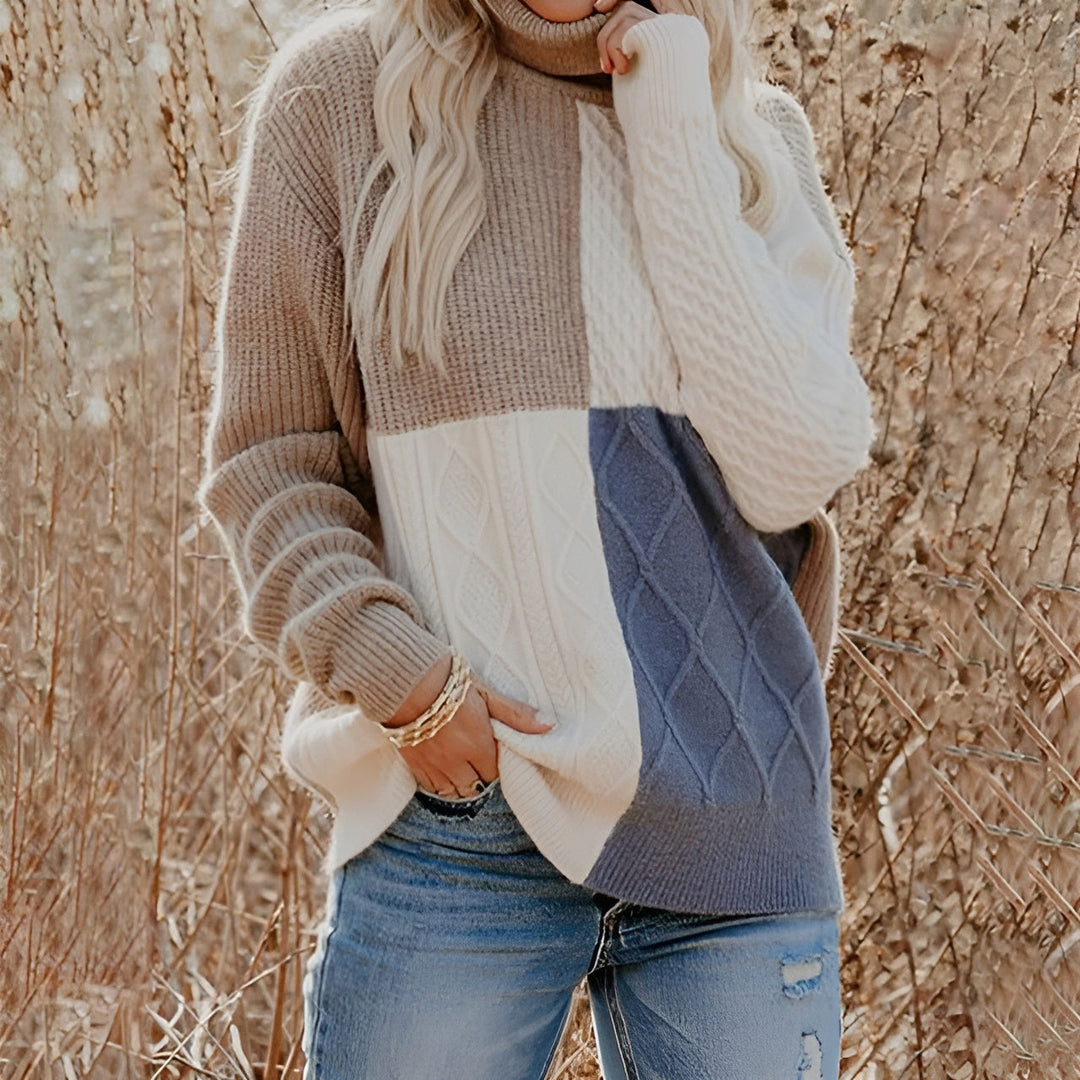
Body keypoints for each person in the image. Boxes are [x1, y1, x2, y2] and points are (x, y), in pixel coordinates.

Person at [197, 0, 876, 1075]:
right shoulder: (339, 100)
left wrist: (666, 111)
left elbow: (793, 466)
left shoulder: (746, 136)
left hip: (730, 817)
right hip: (459, 819)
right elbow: (273, 459)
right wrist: (404, 679)